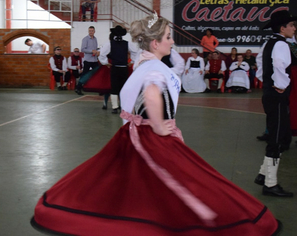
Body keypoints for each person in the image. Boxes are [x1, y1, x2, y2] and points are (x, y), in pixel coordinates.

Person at [31, 13, 281, 236]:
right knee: (187, 184)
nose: (172, 41)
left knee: (127, 183)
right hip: (150, 135)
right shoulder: (154, 69)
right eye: (169, 37)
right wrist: (160, 127)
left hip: (133, 132)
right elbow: (151, 93)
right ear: (155, 43)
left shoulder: (144, 62)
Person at [253, 10, 296, 197]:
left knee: (277, 132)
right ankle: (270, 184)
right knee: (277, 137)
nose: (294, 28)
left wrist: (268, 82)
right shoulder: (281, 44)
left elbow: (260, 64)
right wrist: (280, 84)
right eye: (292, 25)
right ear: (282, 28)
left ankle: (263, 175)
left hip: (269, 94)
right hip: (277, 95)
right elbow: (279, 64)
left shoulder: (268, 43)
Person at [98, 25, 139, 114]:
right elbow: (135, 52)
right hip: (124, 68)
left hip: (115, 68)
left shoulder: (110, 43)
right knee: (123, 88)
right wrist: (132, 61)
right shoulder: (127, 43)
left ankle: (115, 107)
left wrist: (106, 63)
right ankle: (123, 106)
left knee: (114, 88)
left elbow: (102, 54)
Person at [76, 26, 99, 95]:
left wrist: (97, 51)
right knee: (84, 74)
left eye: (92, 31)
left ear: (94, 31)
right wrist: (91, 51)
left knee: (97, 73)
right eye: (90, 31)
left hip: (94, 60)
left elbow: (95, 49)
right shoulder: (85, 39)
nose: (91, 32)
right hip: (88, 60)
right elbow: (83, 49)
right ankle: (78, 88)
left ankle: (97, 88)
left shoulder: (95, 39)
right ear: (88, 31)